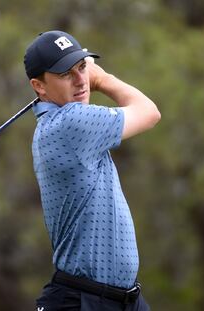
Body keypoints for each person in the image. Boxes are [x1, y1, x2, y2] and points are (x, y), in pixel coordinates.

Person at [23, 30, 161, 311]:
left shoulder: (65, 122)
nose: (80, 80)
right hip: (82, 300)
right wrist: (102, 78)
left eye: (82, 67)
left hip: (123, 299)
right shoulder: (70, 123)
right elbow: (149, 112)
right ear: (39, 86)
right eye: (65, 74)